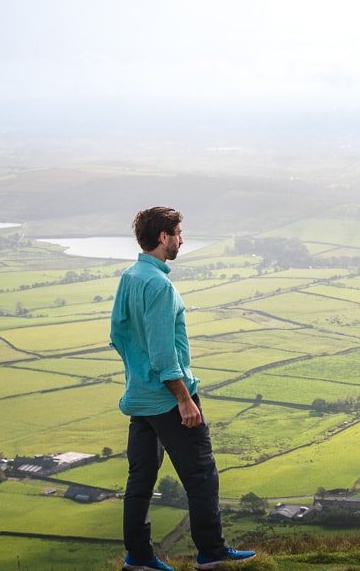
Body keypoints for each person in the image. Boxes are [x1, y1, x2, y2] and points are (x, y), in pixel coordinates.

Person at [110, 207, 256, 571]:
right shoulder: (159, 286)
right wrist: (184, 399)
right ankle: (212, 553)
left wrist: (137, 373)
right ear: (163, 237)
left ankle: (139, 559)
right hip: (168, 398)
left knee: (140, 481)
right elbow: (163, 354)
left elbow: (117, 335)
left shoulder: (130, 277)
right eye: (178, 232)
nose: (181, 239)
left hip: (140, 398)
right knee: (202, 476)